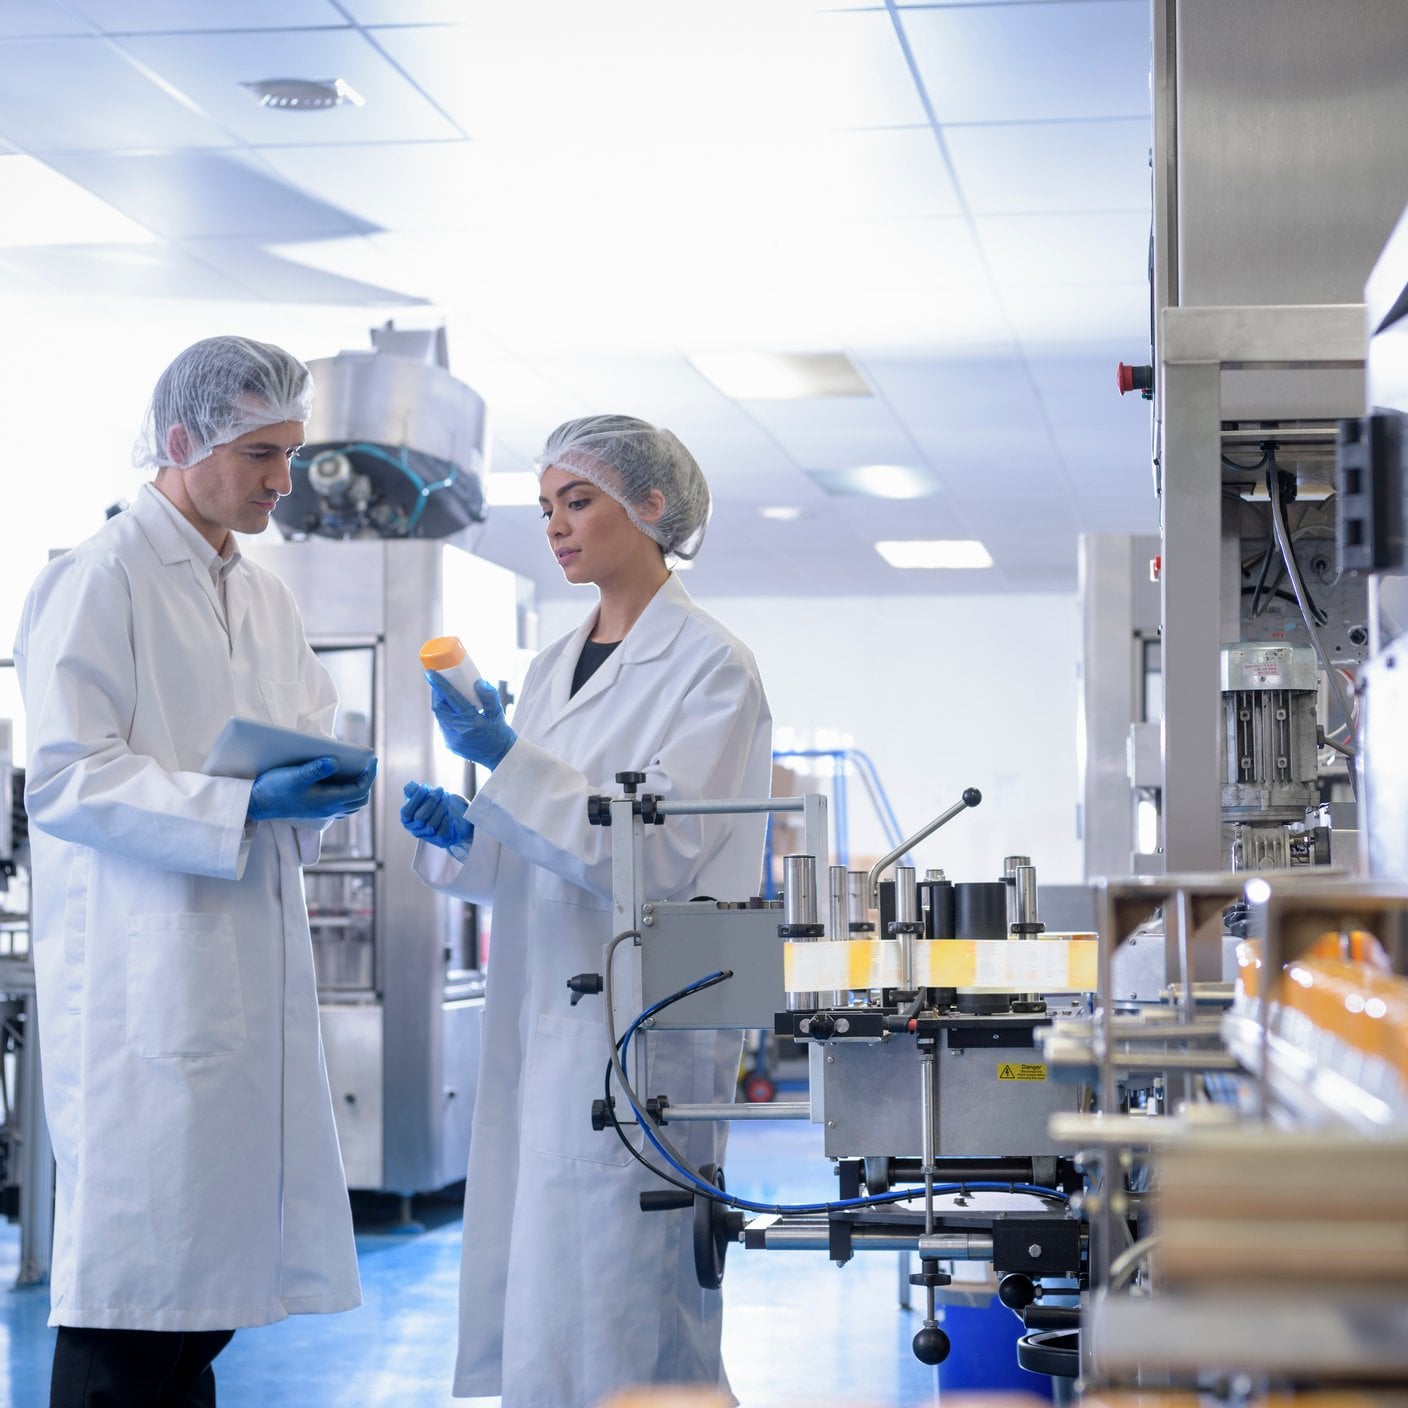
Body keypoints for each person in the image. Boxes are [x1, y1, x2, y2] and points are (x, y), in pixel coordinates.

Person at [14, 335, 377, 1407]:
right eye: (262, 452)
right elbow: (69, 778)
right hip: (147, 985)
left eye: (290, 454)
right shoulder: (98, 578)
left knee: (204, 1300)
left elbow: (301, 722)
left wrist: (319, 780)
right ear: (181, 443)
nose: (282, 480)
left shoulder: (260, 596)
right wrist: (237, 800)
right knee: (134, 1300)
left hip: (244, 977)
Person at [401, 414, 772, 1406]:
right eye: (546, 509)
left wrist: (507, 763)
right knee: (556, 1274)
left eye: (578, 502)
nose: (556, 528)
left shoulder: (711, 665)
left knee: (630, 1280)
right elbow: (536, 855)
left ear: (650, 508)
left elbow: (659, 850)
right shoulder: (552, 661)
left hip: (651, 1020)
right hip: (555, 1014)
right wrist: (464, 834)